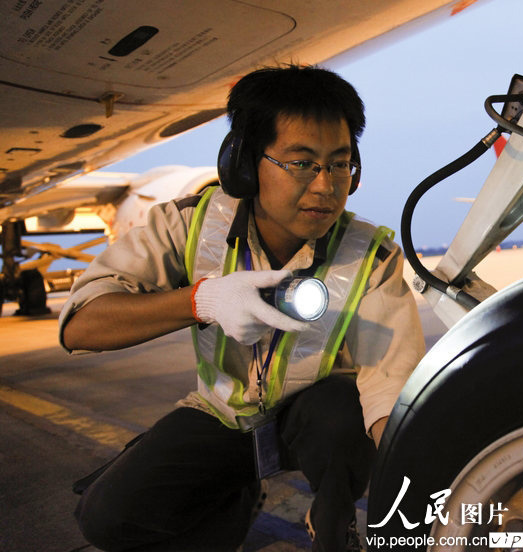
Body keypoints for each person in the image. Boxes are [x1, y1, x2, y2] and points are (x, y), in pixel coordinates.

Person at [59, 65, 426, 551]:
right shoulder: (188, 225)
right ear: (247, 165)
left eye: (339, 164)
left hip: (314, 424)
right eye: (302, 163)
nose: (325, 186)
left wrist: (421, 476)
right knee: (106, 518)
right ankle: (235, 500)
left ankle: (334, 519)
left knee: (342, 411)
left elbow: (390, 386)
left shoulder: (370, 255)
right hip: (222, 415)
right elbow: (81, 326)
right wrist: (201, 299)